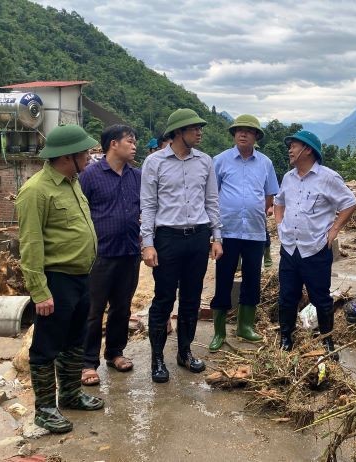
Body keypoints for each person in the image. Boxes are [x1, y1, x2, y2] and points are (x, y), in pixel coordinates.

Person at [15, 124, 104, 434]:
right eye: (86, 154)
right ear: (68, 157)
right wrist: (40, 292)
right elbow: (30, 244)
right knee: (46, 346)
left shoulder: (73, 182)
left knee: (74, 340)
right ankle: (44, 409)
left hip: (81, 277)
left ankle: (69, 395)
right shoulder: (36, 191)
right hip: (56, 280)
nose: (91, 158)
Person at [140, 108, 223, 383]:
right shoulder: (155, 163)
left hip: (198, 237)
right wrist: (148, 244)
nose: (199, 132)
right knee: (163, 299)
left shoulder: (205, 162)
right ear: (177, 132)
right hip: (168, 238)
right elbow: (149, 206)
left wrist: (217, 237)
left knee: (191, 297)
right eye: (193, 128)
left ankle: (184, 353)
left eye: (200, 128)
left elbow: (212, 201)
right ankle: (157, 359)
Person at [274, 130, 356, 359]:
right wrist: (280, 225)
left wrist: (334, 230)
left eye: (293, 146)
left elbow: (350, 202)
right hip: (290, 248)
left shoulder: (328, 177)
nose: (289, 150)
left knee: (320, 298)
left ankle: (327, 341)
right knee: (287, 296)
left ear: (307, 149)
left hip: (316, 249)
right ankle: (285, 338)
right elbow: (278, 202)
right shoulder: (288, 178)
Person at [208, 115, 278, 352]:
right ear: (234, 134)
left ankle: (245, 326)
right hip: (227, 231)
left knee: (252, 279)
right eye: (239, 130)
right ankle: (219, 331)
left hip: (255, 232)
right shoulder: (220, 161)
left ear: (256, 136)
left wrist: (257, 207)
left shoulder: (265, 163)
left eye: (249, 131)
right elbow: (212, 195)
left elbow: (270, 195)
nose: (243, 134)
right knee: (224, 278)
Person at [79, 125, 142, 386]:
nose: (134, 145)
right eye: (130, 141)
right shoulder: (90, 175)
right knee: (93, 310)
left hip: (129, 252)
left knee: (122, 307)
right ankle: (87, 362)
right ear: (113, 144)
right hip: (100, 254)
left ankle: (115, 352)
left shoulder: (136, 176)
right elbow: (80, 213)